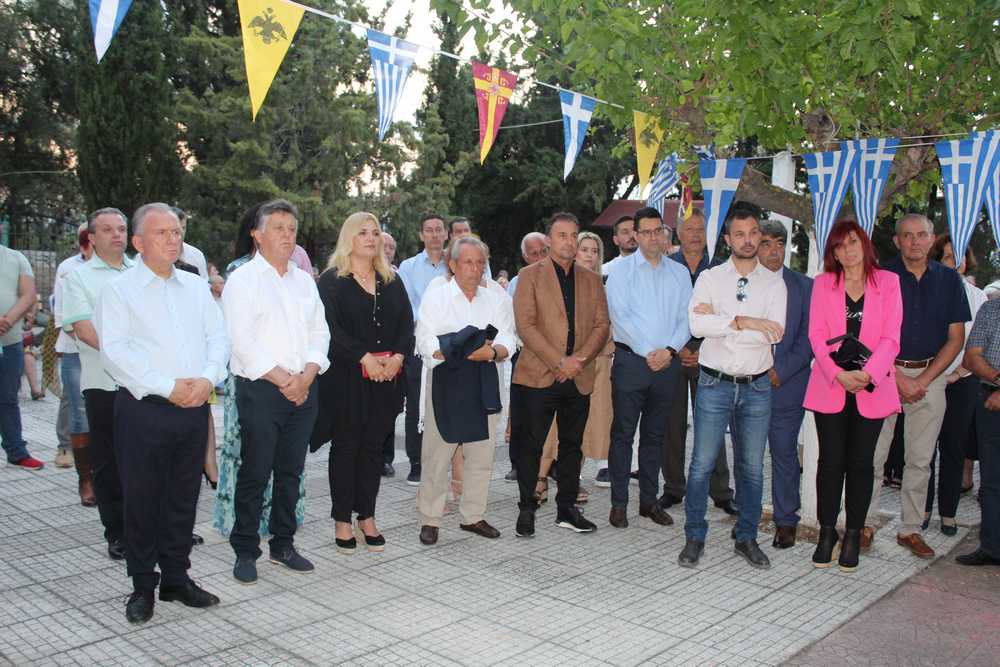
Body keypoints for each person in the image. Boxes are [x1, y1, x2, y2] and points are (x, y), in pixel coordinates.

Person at [96, 202, 229, 624]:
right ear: (138, 242)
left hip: (193, 407)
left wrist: (207, 379)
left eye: (176, 232)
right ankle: (142, 584)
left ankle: (176, 577)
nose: (173, 239)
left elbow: (218, 337)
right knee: (142, 499)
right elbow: (116, 352)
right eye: (162, 233)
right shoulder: (119, 290)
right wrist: (168, 386)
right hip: (144, 410)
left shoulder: (194, 285)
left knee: (182, 497)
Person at [222, 199, 329, 583]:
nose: (288, 235)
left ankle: (283, 544)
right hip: (262, 390)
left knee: (291, 471)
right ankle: (245, 548)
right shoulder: (243, 281)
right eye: (279, 228)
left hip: (303, 388)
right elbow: (242, 342)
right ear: (257, 234)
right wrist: (286, 381)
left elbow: (320, 332)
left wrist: (307, 376)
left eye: (292, 229)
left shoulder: (304, 281)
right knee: (255, 470)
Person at [679, 202, 787, 570]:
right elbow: (697, 326)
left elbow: (774, 333)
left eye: (753, 232)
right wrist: (744, 321)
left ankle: (746, 537)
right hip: (714, 383)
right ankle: (695, 536)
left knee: (752, 467)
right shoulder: (710, 279)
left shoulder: (774, 283)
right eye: (739, 234)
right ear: (727, 239)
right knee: (701, 464)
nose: (748, 240)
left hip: (757, 387)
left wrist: (723, 322)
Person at [868, 213, 970, 560]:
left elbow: (956, 338)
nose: (915, 241)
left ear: (931, 239)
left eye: (922, 234)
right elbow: (869, 334)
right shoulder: (880, 277)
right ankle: (863, 525)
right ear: (897, 241)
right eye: (908, 235)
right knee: (873, 455)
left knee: (921, 460)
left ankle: (910, 529)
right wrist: (897, 378)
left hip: (931, 376)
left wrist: (923, 380)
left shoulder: (949, 280)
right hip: (884, 374)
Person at [803, 219, 902, 571]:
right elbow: (816, 335)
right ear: (833, 252)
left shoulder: (888, 282)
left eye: (853, 243)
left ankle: (853, 535)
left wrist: (867, 374)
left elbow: (892, 337)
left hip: (871, 386)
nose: (848, 251)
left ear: (865, 244)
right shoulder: (823, 283)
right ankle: (827, 533)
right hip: (831, 384)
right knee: (830, 462)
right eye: (840, 246)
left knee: (862, 464)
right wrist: (838, 374)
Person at [313, 212, 412, 554]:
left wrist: (397, 357)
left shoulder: (391, 279)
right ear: (349, 238)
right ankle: (342, 519)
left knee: (372, 449)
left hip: (387, 379)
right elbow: (330, 329)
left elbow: (406, 324)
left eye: (375, 232)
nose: (371, 238)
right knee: (346, 447)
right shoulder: (331, 281)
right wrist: (364, 357)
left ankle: (366, 516)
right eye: (363, 233)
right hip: (346, 379)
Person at [511, 212, 610, 537]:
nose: (568, 241)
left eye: (573, 235)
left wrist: (578, 361)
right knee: (531, 446)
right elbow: (525, 325)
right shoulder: (529, 276)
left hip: (578, 377)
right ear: (549, 240)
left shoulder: (592, 280)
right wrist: (559, 362)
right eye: (561, 235)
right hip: (539, 375)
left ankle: (567, 509)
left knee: (571, 446)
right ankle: (527, 508)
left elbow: (602, 325)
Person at [415, 237, 514, 544]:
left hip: (484, 377)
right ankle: (430, 518)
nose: (475, 268)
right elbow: (425, 339)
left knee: (481, 453)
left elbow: (508, 339)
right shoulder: (438, 296)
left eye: (480, 262)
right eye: (468, 262)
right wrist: (453, 349)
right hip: (447, 378)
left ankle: (473, 515)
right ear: (453, 265)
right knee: (437, 454)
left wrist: (492, 352)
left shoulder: (495, 299)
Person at [605, 207, 691, 528]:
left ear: (665, 233)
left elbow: (686, 318)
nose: (654, 237)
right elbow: (620, 318)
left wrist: (669, 351)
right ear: (636, 236)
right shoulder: (620, 272)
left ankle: (648, 502)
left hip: (667, 366)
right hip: (631, 364)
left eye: (659, 231)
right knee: (623, 435)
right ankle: (618, 504)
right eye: (647, 232)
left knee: (655, 436)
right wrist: (649, 353)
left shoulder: (679, 274)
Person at [62, 208, 135, 561]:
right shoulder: (78, 278)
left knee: (148, 457)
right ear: (91, 238)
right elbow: (84, 329)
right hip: (104, 384)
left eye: (121, 228)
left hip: (145, 386)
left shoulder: (142, 271)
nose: (117, 235)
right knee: (108, 461)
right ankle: (117, 532)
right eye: (107, 230)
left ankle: (156, 525)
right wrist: (130, 357)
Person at [660, 208, 736, 515]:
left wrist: (699, 348)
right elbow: (662, 313)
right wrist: (678, 348)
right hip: (673, 355)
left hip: (711, 356)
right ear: (678, 233)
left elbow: (727, 315)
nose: (695, 234)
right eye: (689, 229)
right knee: (672, 427)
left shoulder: (721, 269)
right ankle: (673, 488)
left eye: (700, 229)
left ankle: (721, 492)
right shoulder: (666, 267)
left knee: (712, 426)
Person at [535, 232, 612, 505]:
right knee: (551, 427)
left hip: (597, 365)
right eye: (584, 249)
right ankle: (540, 478)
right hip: (560, 364)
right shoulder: (558, 282)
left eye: (594, 250)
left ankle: (572, 481)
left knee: (584, 427)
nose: (590, 255)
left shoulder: (604, 285)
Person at [924, 234, 987, 534]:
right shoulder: (927, 289)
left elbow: (978, 343)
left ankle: (948, 514)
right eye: (948, 256)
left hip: (963, 381)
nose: (955, 262)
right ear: (938, 259)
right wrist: (934, 375)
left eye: (959, 255)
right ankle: (922, 510)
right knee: (924, 448)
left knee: (954, 447)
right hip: (928, 378)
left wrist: (957, 374)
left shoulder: (977, 297)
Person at [756, 220, 813, 548]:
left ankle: (786, 520)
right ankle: (748, 516)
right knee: (748, 457)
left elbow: (809, 338)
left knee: (784, 453)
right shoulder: (742, 283)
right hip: (746, 385)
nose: (774, 250)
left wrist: (781, 370)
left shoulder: (804, 287)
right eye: (766, 243)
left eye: (780, 243)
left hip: (786, 386)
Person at [397, 213, 449, 485]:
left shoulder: (456, 262)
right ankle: (416, 462)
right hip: (419, 344)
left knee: (448, 400)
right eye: (429, 230)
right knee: (416, 404)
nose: (434, 234)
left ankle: (446, 460)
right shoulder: (408, 267)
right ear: (421, 235)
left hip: (451, 342)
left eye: (439, 229)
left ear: (446, 234)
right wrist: (429, 327)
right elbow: (407, 306)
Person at [955, 296, 1000, 566]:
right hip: (989, 403)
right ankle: (992, 547)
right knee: (992, 481)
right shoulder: (991, 309)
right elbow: (972, 357)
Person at [505, 231, 549, 481]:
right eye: (534, 253)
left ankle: (549, 464)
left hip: (555, 356)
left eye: (544, 251)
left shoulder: (560, 277)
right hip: (525, 354)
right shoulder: (517, 281)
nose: (540, 257)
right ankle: (517, 463)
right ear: (525, 257)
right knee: (521, 412)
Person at [51, 224, 93, 468]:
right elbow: (62, 313)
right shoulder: (68, 268)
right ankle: (67, 448)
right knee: (75, 401)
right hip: (75, 346)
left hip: (101, 348)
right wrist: (88, 338)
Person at [0, 240, 42, 470]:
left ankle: (16, 451)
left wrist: (7, 320)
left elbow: (28, 294)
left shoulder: (16, 258)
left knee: (8, 398)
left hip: (10, 341)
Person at [173, 207, 209, 279]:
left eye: (183, 228)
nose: (181, 233)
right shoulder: (153, 255)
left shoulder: (197, 255)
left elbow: (203, 284)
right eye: (175, 229)